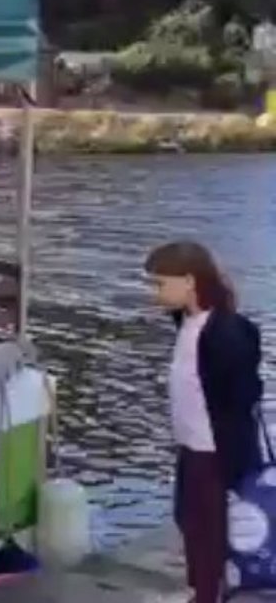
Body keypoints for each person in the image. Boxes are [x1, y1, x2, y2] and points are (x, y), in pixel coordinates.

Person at [145, 241, 262, 603]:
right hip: (190, 443)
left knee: (209, 532)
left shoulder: (226, 331)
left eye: (161, 283)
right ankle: (202, 591)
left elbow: (245, 392)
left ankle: (209, 594)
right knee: (188, 520)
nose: (155, 293)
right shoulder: (185, 322)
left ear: (190, 282)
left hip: (214, 450)